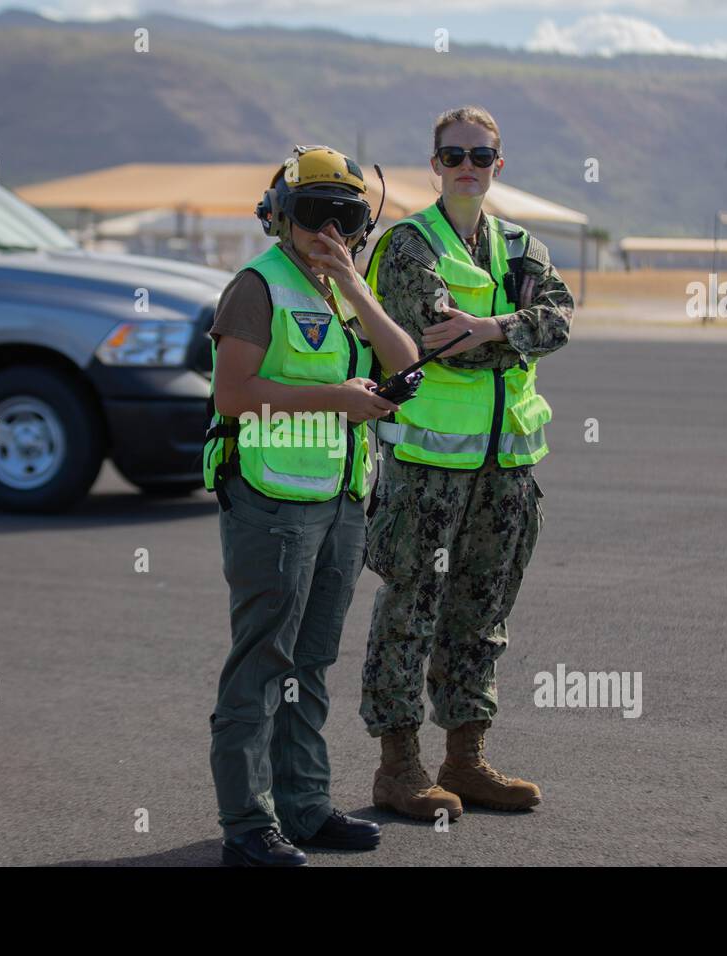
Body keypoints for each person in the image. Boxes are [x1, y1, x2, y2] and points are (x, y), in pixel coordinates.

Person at [203, 145, 418, 866]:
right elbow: (232, 395)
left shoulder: (340, 289)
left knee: (312, 660)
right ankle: (247, 824)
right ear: (278, 218)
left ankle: (304, 807)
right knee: (263, 658)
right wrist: (334, 399)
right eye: (312, 214)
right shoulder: (256, 287)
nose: (329, 230)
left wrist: (355, 285)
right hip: (272, 499)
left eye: (346, 216)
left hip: (339, 498)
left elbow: (403, 358)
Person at [359, 106, 573, 820]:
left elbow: (562, 318)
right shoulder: (407, 245)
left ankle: (466, 758)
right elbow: (437, 338)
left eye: (480, 156)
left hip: (506, 468)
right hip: (426, 467)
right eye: (453, 155)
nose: (467, 168)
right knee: (409, 611)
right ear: (435, 163)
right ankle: (398, 768)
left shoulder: (520, 245)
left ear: (498, 165)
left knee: (481, 614)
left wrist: (490, 326)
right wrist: (510, 331)